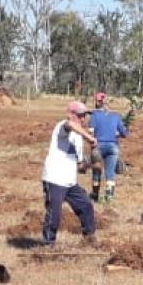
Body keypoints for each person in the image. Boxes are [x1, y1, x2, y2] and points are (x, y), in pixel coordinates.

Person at [41, 101, 98, 245]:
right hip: (54, 179)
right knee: (55, 214)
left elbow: (80, 167)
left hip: (70, 182)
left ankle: (89, 238)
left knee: (86, 205)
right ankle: (48, 245)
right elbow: (70, 125)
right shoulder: (61, 127)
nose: (83, 119)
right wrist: (89, 138)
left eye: (85, 116)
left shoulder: (78, 139)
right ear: (71, 115)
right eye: (80, 115)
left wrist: (92, 163)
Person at [87, 92, 129, 204]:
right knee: (110, 173)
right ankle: (109, 197)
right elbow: (125, 133)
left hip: (98, 146)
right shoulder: (116, 116)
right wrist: (116, 134)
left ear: (97, 102)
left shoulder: (94, 115)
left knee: (96, 171)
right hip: (112, 147)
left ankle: (95, 195)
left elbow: (90, 132)